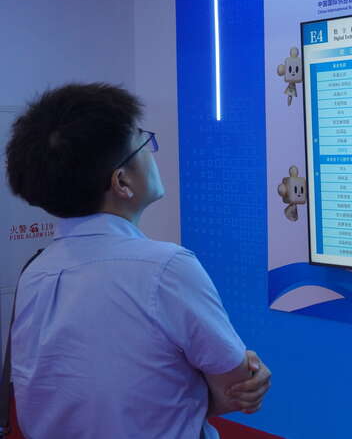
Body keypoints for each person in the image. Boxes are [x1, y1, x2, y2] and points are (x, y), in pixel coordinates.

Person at [4, 82, 271, 438]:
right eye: (144, 143)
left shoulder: (36, 272)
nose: (152, 152)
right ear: (122, 181)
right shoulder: (166, 268)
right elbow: (236, 390)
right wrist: (240, 376)